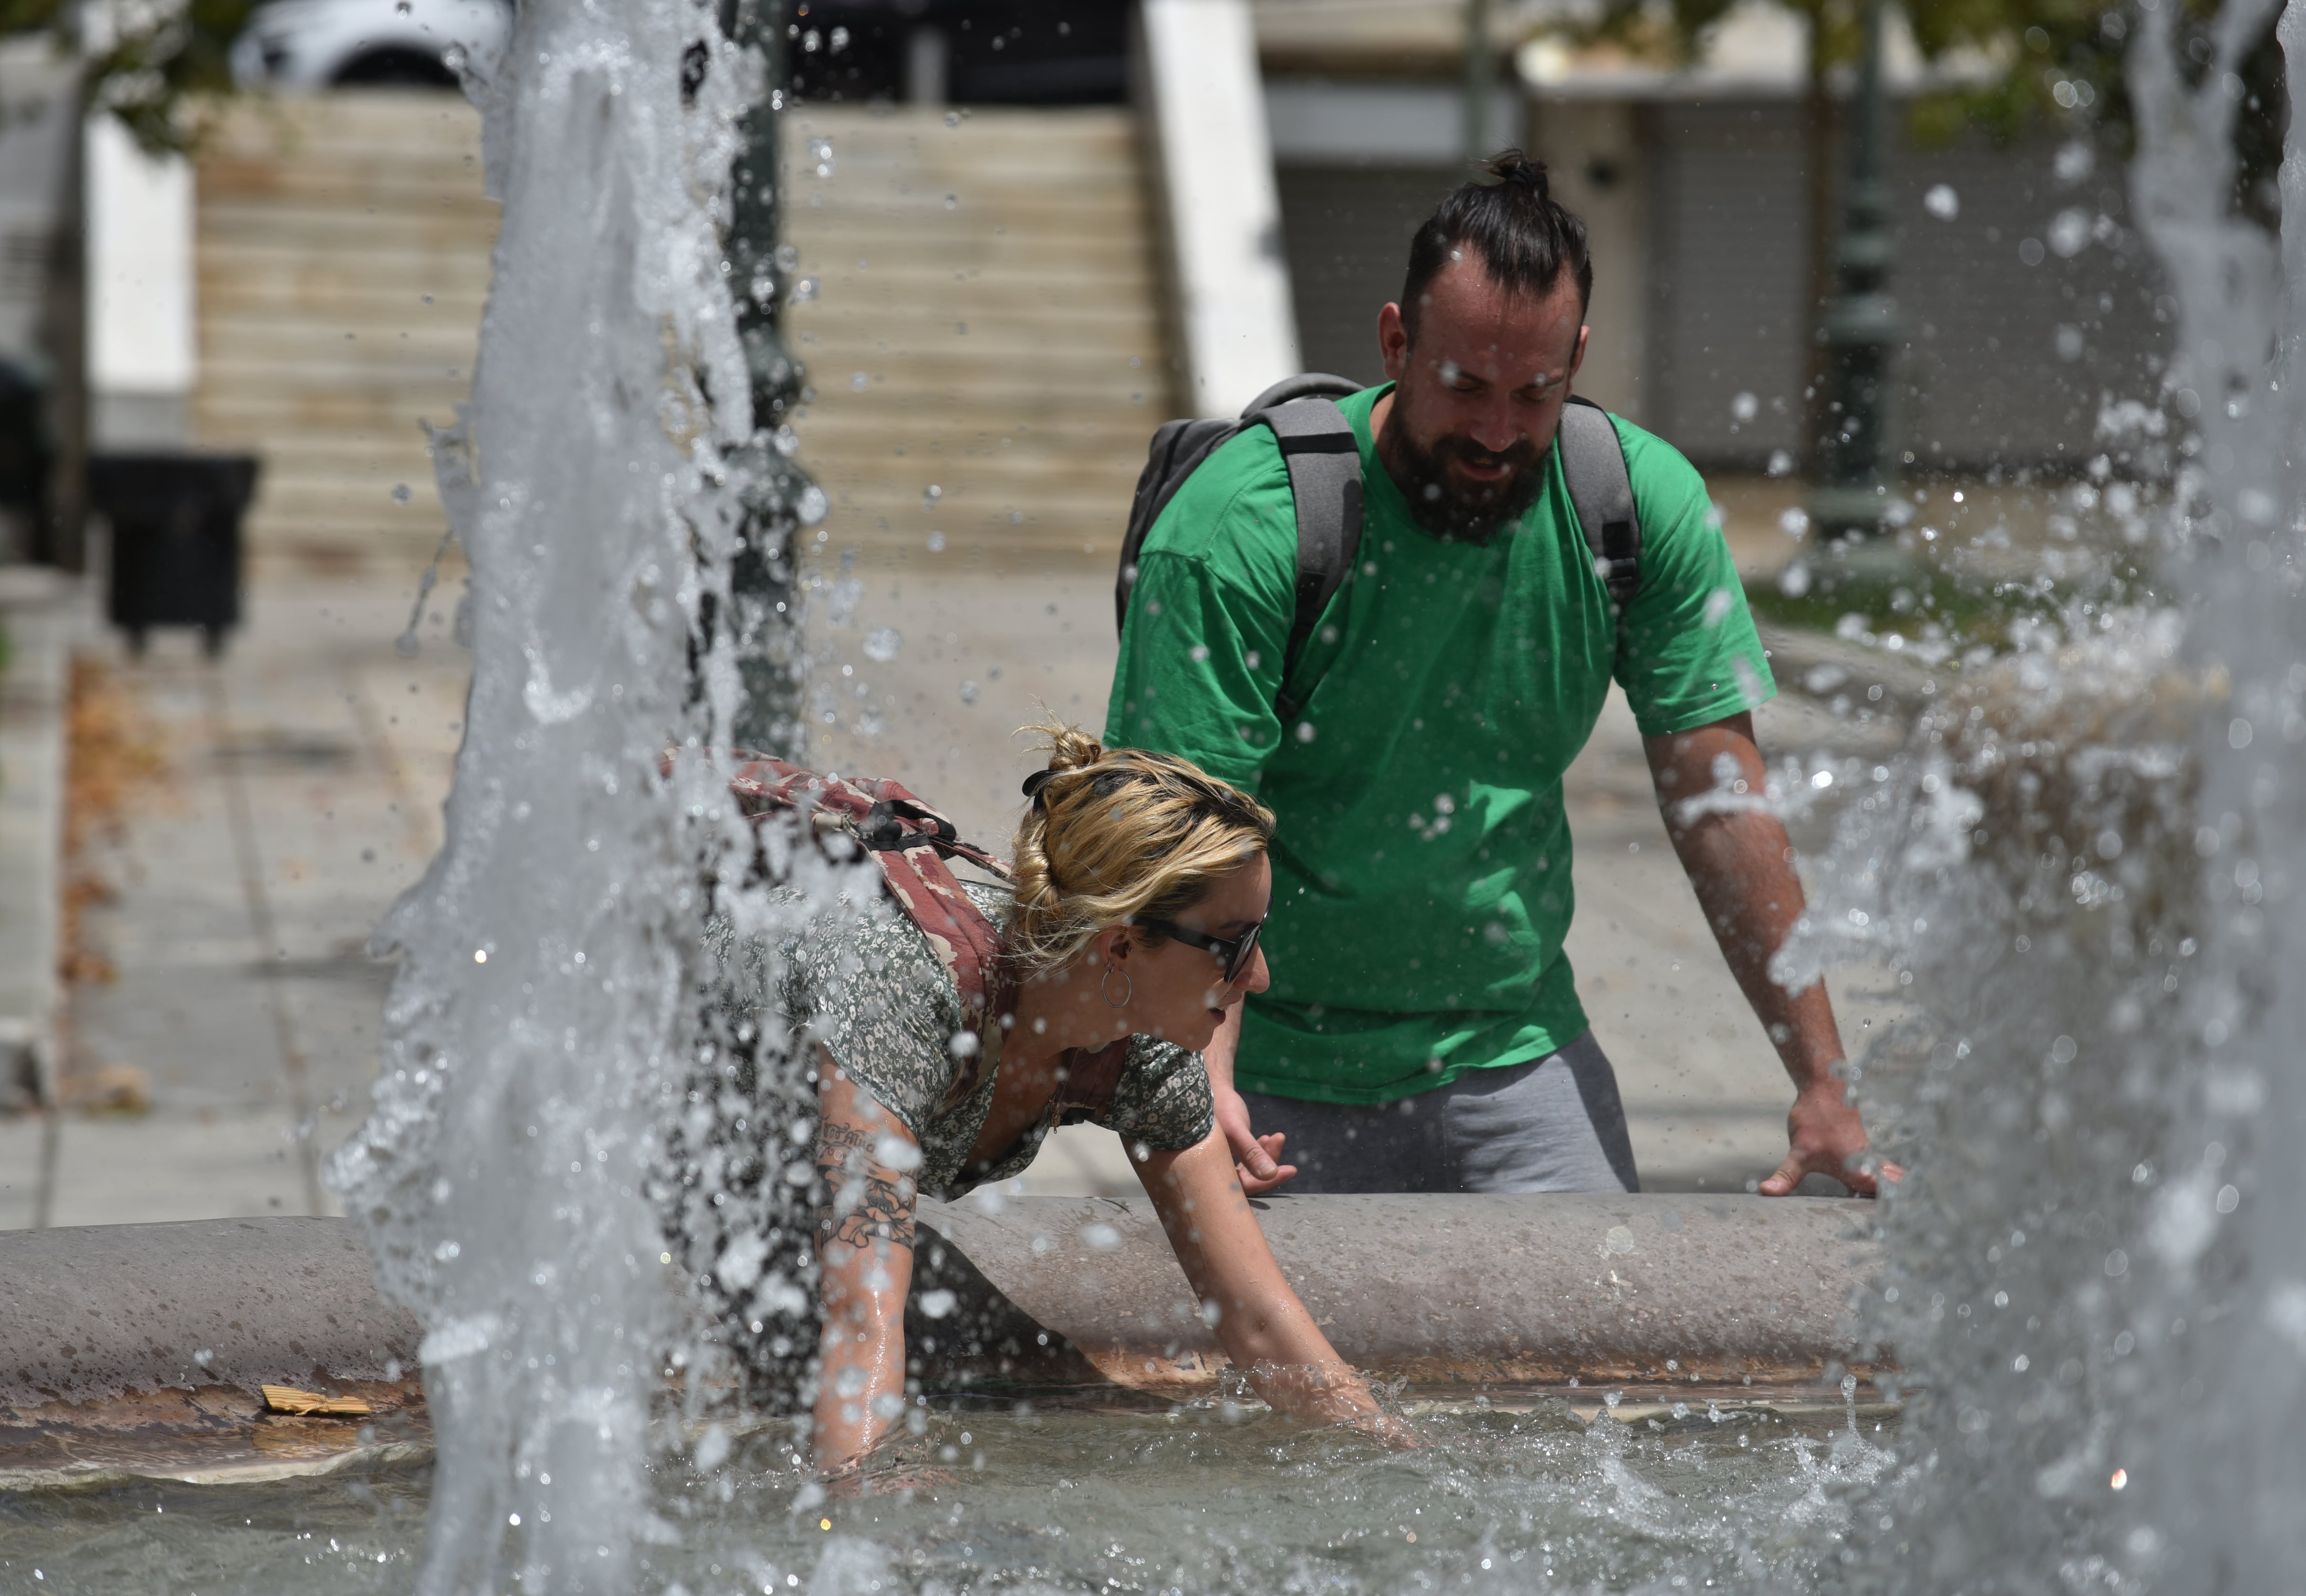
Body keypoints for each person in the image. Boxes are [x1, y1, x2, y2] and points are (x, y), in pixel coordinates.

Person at [1107, 151, 1899, 1202]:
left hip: (1517, 1053)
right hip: (1272, 1073)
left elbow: (1721, 806)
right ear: (1395, 342)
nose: (1495, 432)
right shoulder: (1242, 527)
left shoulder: (1631, 501)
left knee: (1603, 1357)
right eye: (1463, 386)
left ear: (1576, 356)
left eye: (1535, 393)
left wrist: (1821, 1079)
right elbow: (1183, 839)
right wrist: (1200, 1083)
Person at [713, 724, 1403, 1477]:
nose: (1261, 978)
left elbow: (1261, 1322)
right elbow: (858, 1326)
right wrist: (874, 1523)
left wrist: (1403, 1462)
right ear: (1119, 947)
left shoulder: (1147, 1046)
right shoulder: (903, 989)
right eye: (1235, 945)